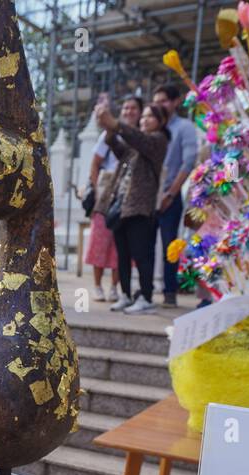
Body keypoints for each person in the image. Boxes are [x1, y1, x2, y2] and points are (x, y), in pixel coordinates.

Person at [97, 99, 170, 314]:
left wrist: (117, 124)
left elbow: (138, 139)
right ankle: (126, 295)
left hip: (140, 207)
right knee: (123, 255)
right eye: (144, 116)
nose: (145, 119)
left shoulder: (158, 141)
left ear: (161, 121)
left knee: (141, 255)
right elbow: (118, 147)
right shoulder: (135, 145)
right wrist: (109, 129)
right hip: (122, 207)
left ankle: (146, 297)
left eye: (150, 116)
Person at [152, 83, 198, 307]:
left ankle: (170, 291)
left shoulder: (184, 127)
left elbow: (188, 162)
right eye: (157, 101)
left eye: (164, 101)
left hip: (170, 195)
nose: (160, 105)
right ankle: (145, 291)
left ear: (175, 102)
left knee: (169, 243)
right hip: (147, 196)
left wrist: (170, 194)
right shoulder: (151, 127)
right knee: (144, 245)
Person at [85, 95, 123, 301]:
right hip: (105, 193)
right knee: (99, 240)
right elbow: (95, 163)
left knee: (118, 244)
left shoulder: (131, 134)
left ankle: (114, 287)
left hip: (124, 193)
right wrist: (98, 189)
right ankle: (97, 285)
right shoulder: (107, 136)